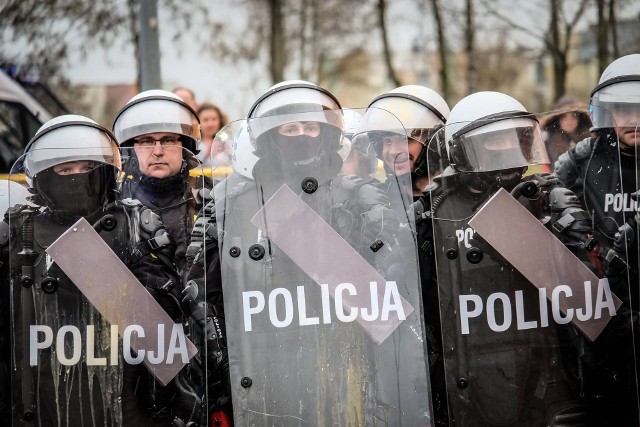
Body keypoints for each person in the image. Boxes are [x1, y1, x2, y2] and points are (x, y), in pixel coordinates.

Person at [212, 80, 432, 425]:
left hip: (346, 371)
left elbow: (393, 299)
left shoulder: (361, 197)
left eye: (312, 127)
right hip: (266, 377)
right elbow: (206, 296)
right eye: (290, 128)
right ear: (268, 138)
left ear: (329, 135)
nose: (301, 135)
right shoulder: (232, 207)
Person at [0, 115, 200, 426]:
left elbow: (164, 334)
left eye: (88, 168)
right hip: (42, 395)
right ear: (41, 178)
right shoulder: (17, 232)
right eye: (64, 170)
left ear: (107, 172)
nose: (77, 178)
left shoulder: (136, 226)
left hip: (124, 392)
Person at [427, 91, 601, 425]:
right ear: (460, 150)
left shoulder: (547, 199)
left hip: (543, 377)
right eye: (492, 142)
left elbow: (592, 305)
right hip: (468, 379)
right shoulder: (436, 211)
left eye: (516, 139)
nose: (507, 151)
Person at [113, 90, 231, 424]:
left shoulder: (216, 203)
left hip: (211, 366)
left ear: (186, 146)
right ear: (129, 150)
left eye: (168, 140)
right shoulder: (111, 212)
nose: (158, 150)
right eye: (146, 141)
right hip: (136, 370)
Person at [554, 54, 640, 425]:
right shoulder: (584, 159)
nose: (635, 120)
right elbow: (546, 191)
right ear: (608, 113)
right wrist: (563, 211)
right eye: (625, 110)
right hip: (602, 305)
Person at [359, 84, 450, 426]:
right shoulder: (368, 203)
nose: (393, 150)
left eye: (405, 140)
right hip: (400, 353)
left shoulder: (460, 200)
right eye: (385, 141)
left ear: (434, 143)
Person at [540, 95, 592, 167]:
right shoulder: (548, 143)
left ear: (579, 118)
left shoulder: (589, 141)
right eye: (564, 117)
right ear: (558, 120)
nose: (569, 121)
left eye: (573, 115)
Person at [196, 103, 230, 167]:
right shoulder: (194, 146)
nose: (210, 124)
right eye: (206, 120)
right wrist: (207, 154)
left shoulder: (227, 143)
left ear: (220, 121)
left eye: (214, 119)